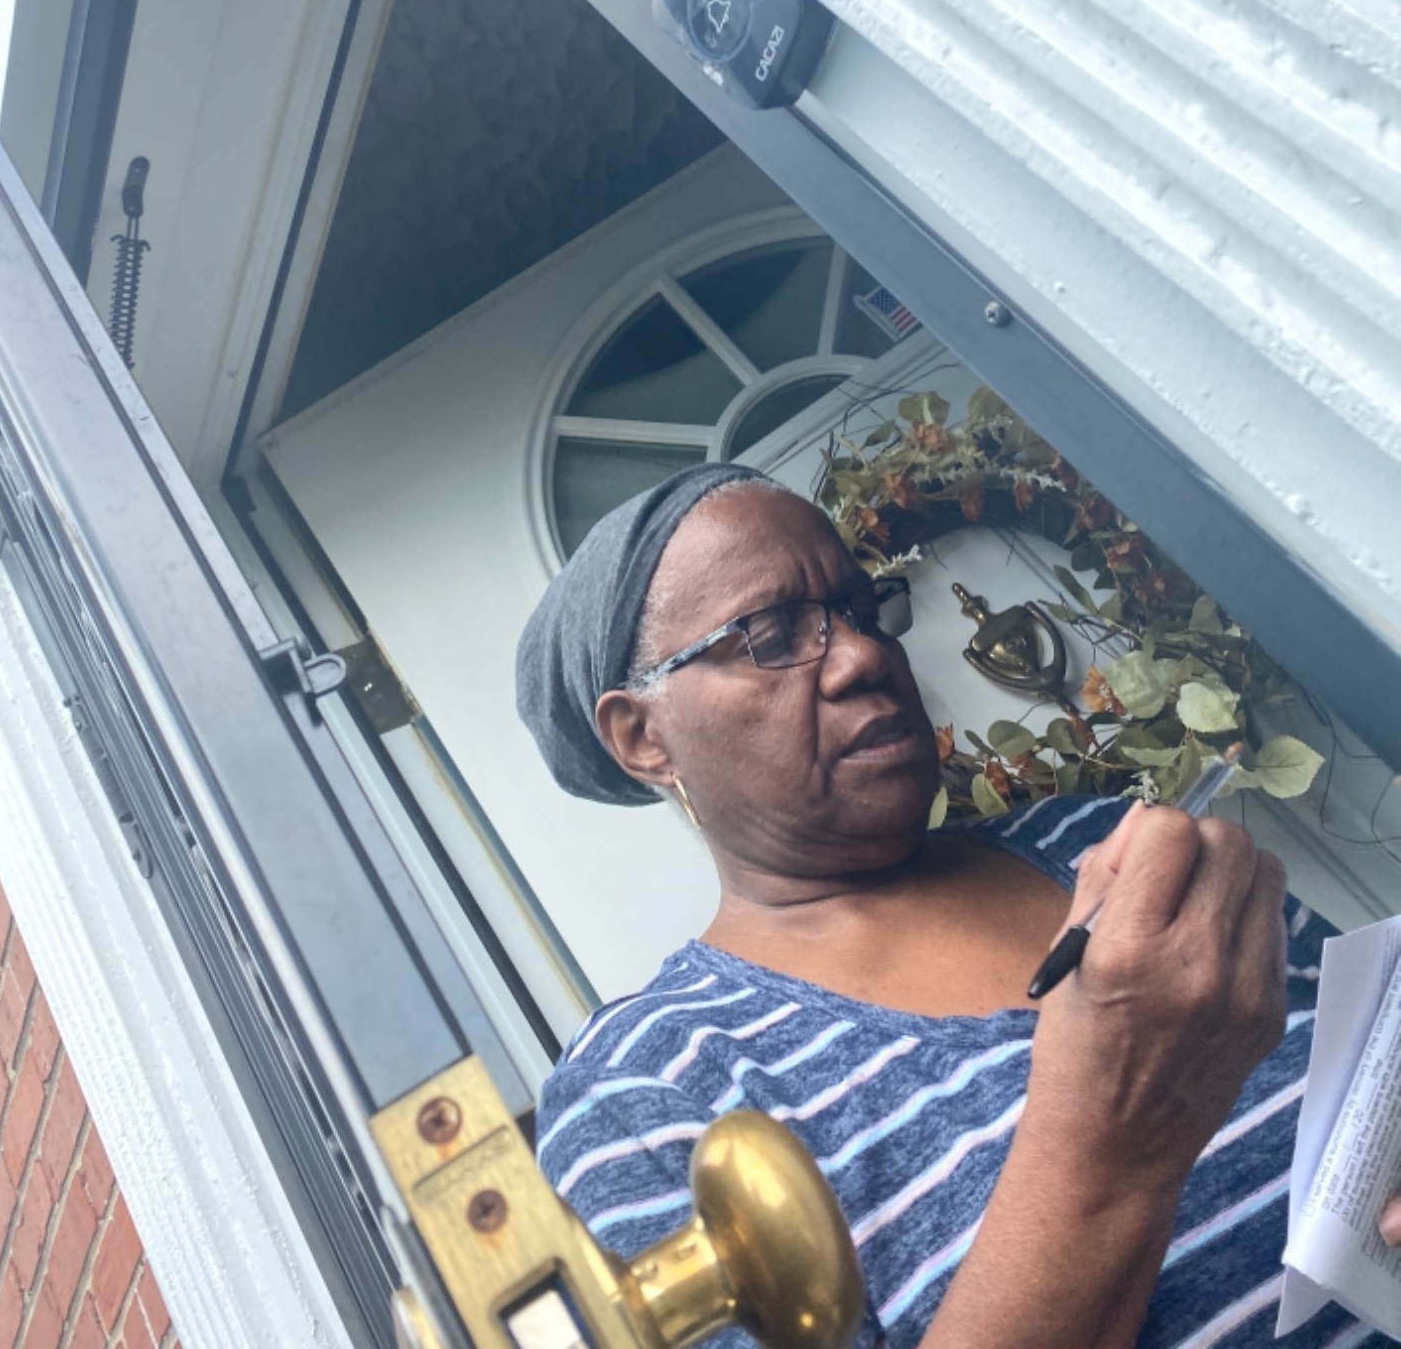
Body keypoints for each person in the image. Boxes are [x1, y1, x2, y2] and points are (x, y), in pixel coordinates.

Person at [515, 461, 1387, 1349]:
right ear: (643, 737)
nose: (863, 656)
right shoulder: (644, 1091)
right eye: (771, 636)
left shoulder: (1097, 843)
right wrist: (1112, 1135)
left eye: (859, 610)